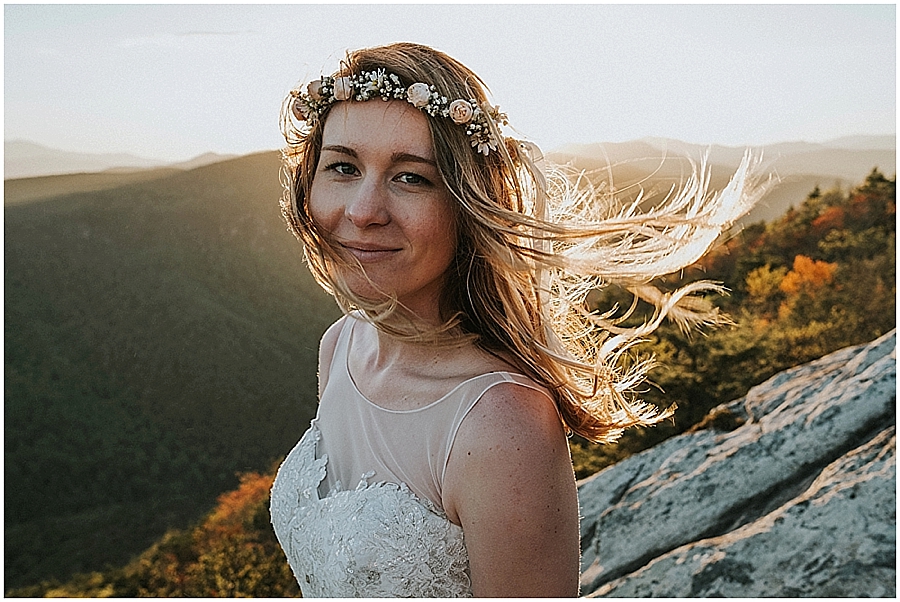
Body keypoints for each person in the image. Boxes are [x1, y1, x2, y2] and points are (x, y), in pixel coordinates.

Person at [269, 42, 766, 597]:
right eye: (342, 167)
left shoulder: (501, 424)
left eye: (412, 178)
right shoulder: (340, 347)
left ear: (467, 204)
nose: (363, 210)